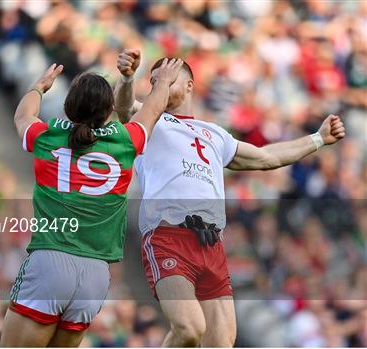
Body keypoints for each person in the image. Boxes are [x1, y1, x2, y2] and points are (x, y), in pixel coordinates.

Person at [114, 49, 346, 347]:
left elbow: (265, 157)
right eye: (155, 80)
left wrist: (317, 139)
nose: (160, 85)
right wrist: (127, 77)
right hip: (167, 235)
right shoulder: (151, 121)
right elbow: (123, 107)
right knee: (189, 328)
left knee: (222, 341)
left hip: (211, 242)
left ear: (188, 86)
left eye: (169, 79)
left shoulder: (215, 134)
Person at [0, 58, 184, 347]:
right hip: (96, 275)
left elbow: (22, 116)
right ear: (110, 109)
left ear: (68, 106)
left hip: (50, 260)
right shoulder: (126, 140)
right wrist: (163, 81)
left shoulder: (49, 136)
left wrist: (38, 87)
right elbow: (152, 109)